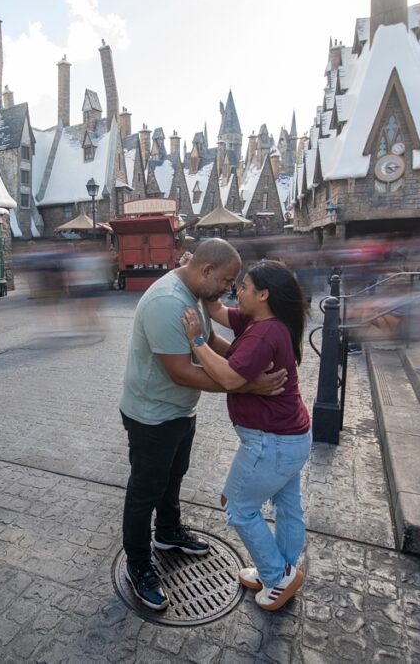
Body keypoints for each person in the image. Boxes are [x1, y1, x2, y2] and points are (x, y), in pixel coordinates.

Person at [118, 239, 287, 611]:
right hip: (152, 414)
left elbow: (207, 340)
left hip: (178, 411)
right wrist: (245, 382)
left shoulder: (195, 292)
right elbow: (180, 371)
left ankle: (167, 534)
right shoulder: (168, 302)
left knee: (173, 476)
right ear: (206, 270)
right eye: (227, 280)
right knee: (145, 489)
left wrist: (244, 365)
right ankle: (138, 564)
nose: (229, 289)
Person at [182, 260, 311, 611]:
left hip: (271, 442)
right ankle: (282, 570)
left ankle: (277, 575)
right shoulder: (261, 321)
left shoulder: (264, 333)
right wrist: (196, 272)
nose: (237, 290)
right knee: (287, 507)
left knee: (237, 505)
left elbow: (227, 378)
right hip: (291, 437)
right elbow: (216, 309)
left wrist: (196, 341)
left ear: (264, 294)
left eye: (245, 286)